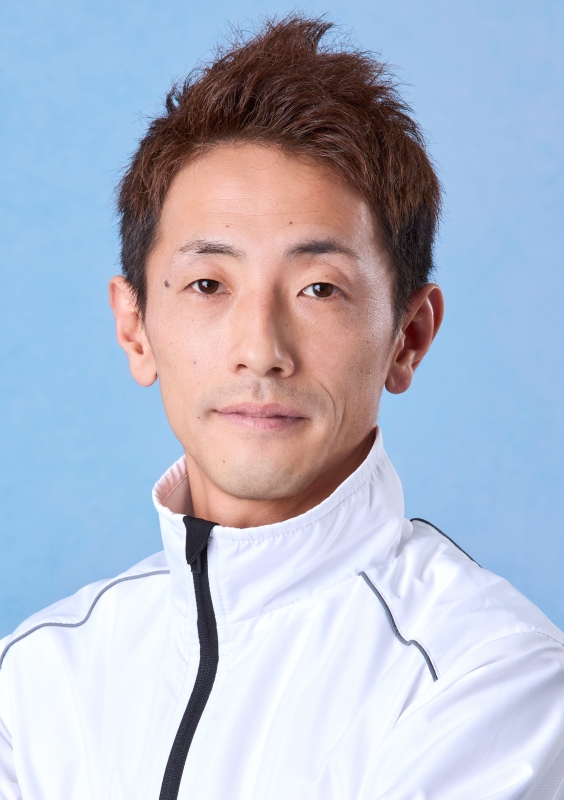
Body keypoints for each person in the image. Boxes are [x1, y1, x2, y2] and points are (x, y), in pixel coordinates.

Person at [1, 15, 563, 799]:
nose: (261, 349)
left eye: (319, 289)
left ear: (408, 336)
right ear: (135, 328)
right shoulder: (35, 682)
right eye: (208, 284)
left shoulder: (489, 679)